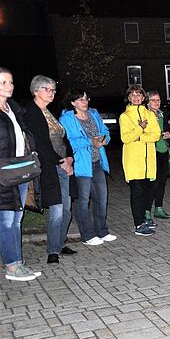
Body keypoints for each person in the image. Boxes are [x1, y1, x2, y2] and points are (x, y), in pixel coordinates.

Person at [23, 75, 77, 264]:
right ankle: (52, 251)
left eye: (54, 90)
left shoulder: (49, 112)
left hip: (63, 165)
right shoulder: (31, 113)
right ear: (36, 90)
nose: (52, 93)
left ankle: (60, 243)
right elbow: (41, 144)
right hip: (50, 168)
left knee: (67, 210)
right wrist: (62, 162)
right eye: (48, 89)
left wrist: (70, 157)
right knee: (57, 210)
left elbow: (64, 138)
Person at [0, 67, 42, 281]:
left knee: (17, 219)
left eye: (11, 82)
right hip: (3, 173)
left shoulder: (13, 109)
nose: (10, 86)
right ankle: (12, 267)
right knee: (6, 220)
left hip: (20, 168)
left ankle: (17, 261)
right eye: (4, 82)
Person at [59, 88, 115, 246]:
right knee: (83, 200)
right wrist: (90, 142)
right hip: (81, 163)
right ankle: (87, 235)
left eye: (86, 98)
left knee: (102, 198)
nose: (85, 102)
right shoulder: (66, 119)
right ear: (72, 102)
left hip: (97, 161)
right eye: (81, 99)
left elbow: (104, 131)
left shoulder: (94, 113)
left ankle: (102, 231)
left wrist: (104, 139)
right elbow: (68, 142)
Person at [120, 85, 160, 236]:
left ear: (144, 98)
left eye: (139, 95)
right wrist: (140, 128)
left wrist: (139, 137)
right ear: (129, 98)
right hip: (133, 161)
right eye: (133, 95)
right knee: (136, 192)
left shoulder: (149, 114)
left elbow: (156, 135)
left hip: (148, 160)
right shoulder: (125, 116)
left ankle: (143, 219)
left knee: (146, 192)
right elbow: (126, 137)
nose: (136, 98)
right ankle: (138, 224)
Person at [146, 91, 170, 220]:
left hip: (163, 150)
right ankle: (146, 211)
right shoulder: (146, 115)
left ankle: (159, 208)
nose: (157, 103)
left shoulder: (161, 114)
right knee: (153, 183)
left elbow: (166, 129)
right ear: (147, 102)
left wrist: (168, 134)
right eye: (153, 100)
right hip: (152, 151)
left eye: (158, 100)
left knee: (162, 182)